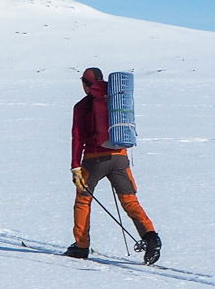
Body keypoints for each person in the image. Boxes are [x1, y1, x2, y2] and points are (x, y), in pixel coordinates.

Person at [67, 67, 162, 264]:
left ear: (85, 84)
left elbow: (78, 138)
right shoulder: (115, 100)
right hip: (120, 157)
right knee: (130, 201)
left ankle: (81, 246)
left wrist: (76, 166)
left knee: (83, 201)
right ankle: (151, 236)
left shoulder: (82, 106)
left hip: (94, 159)